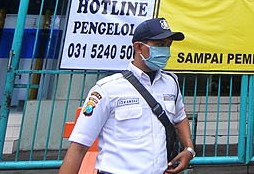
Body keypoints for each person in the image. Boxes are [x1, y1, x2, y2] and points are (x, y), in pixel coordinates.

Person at [59, 18, 195, 174]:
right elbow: (79, 146)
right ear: (138, 47)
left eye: (168, 45)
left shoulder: (171, 83)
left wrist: (189, 149)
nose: (166, 51)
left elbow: (180, 117)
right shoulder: (107, 89)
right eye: (160, 45)